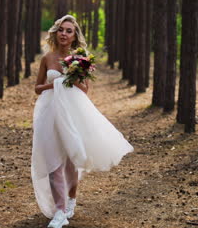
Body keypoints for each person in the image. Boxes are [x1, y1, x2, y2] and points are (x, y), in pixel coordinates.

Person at [32, 15, 133, 228]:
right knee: (52, 161)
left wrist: (72, 77)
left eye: (69, 31)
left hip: (71, 112)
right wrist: (56, 84)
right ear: (55, 32)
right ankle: (59, 213)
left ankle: (71, 200)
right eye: (61, 29)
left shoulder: (80, 58)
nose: (64, 34)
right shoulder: (47, 58)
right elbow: (37, 88)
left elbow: (85, 89)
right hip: (49, 111)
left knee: (70, 160)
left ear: (74, 35)